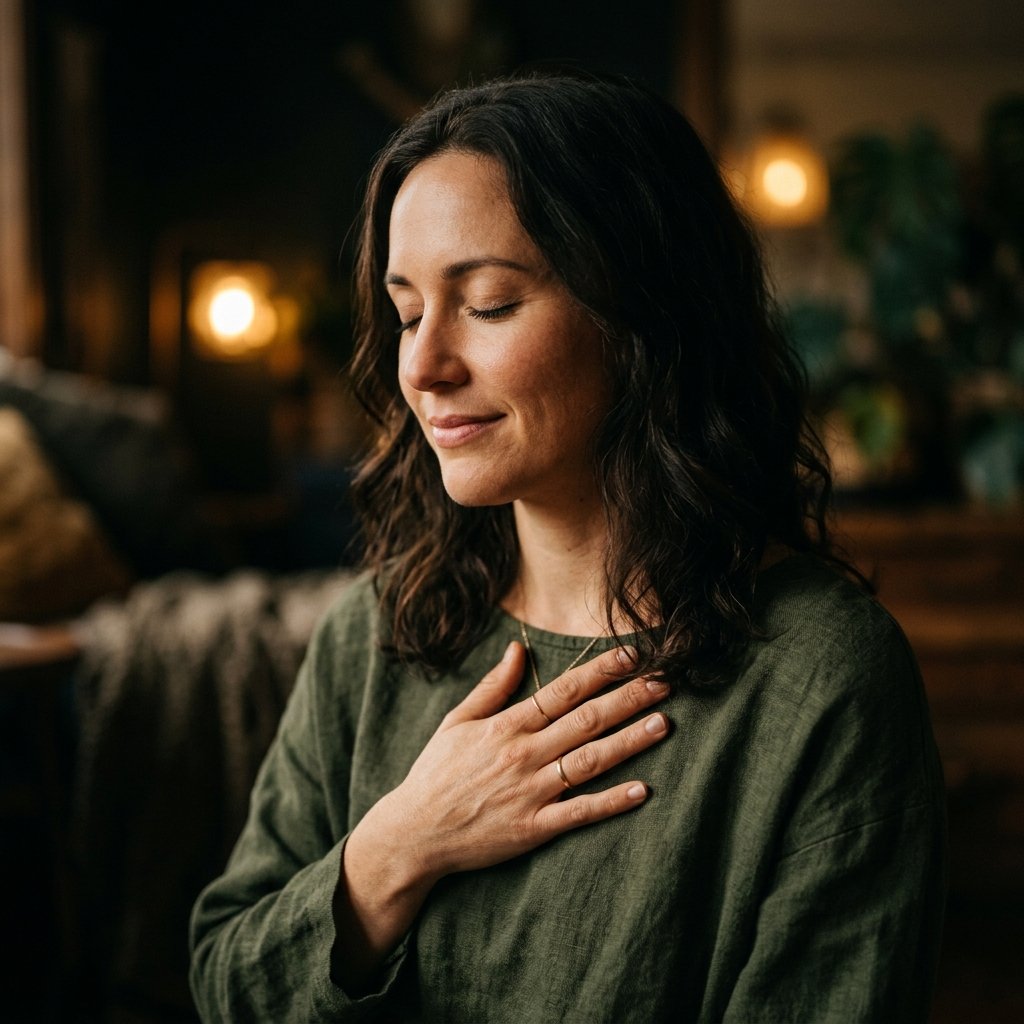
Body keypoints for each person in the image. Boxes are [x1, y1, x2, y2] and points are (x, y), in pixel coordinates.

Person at [189, 70, 946, 1022]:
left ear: (644, 317)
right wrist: (398, 849)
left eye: (491, 303)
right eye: (407, 312)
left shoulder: (820, 678)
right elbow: (226, 982)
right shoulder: (376, 632)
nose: (423, 367)